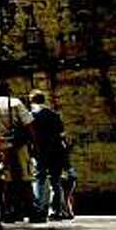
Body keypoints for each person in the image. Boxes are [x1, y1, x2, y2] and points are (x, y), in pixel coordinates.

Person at [0, 81, 36, 222]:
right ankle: (29, 209)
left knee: (5, 178)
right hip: (18, 144)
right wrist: (34, 143)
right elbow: (29, 124)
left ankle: (6, 209)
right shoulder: (15, 103)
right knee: (25, 176)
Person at [29, 91, 67, 221]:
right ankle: (55, 210)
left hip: (39, 151)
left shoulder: (32, 115)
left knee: (39, 179)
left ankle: (39, 208)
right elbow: (62, 135)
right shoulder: (54, 115)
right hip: (55, 150)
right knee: (55, 181)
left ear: (31, 101)